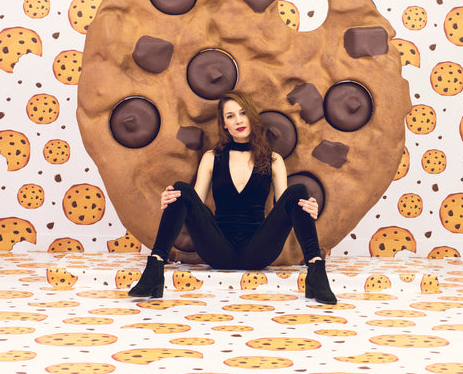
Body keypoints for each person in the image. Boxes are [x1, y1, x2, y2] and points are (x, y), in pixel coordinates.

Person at [128, 90, 337, 304]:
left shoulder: (273, 160)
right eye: (230, 116)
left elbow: (283, 204)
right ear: (224, 124)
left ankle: (316, 273)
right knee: (181, 189)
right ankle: (154, 269)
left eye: (242, 113)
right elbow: (195, 204)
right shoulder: (211, 158)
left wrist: (306, 207)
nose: (238, 120)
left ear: (251, 117)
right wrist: (175, 200)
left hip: (259, 251)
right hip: (218, 249)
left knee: (298, 191)